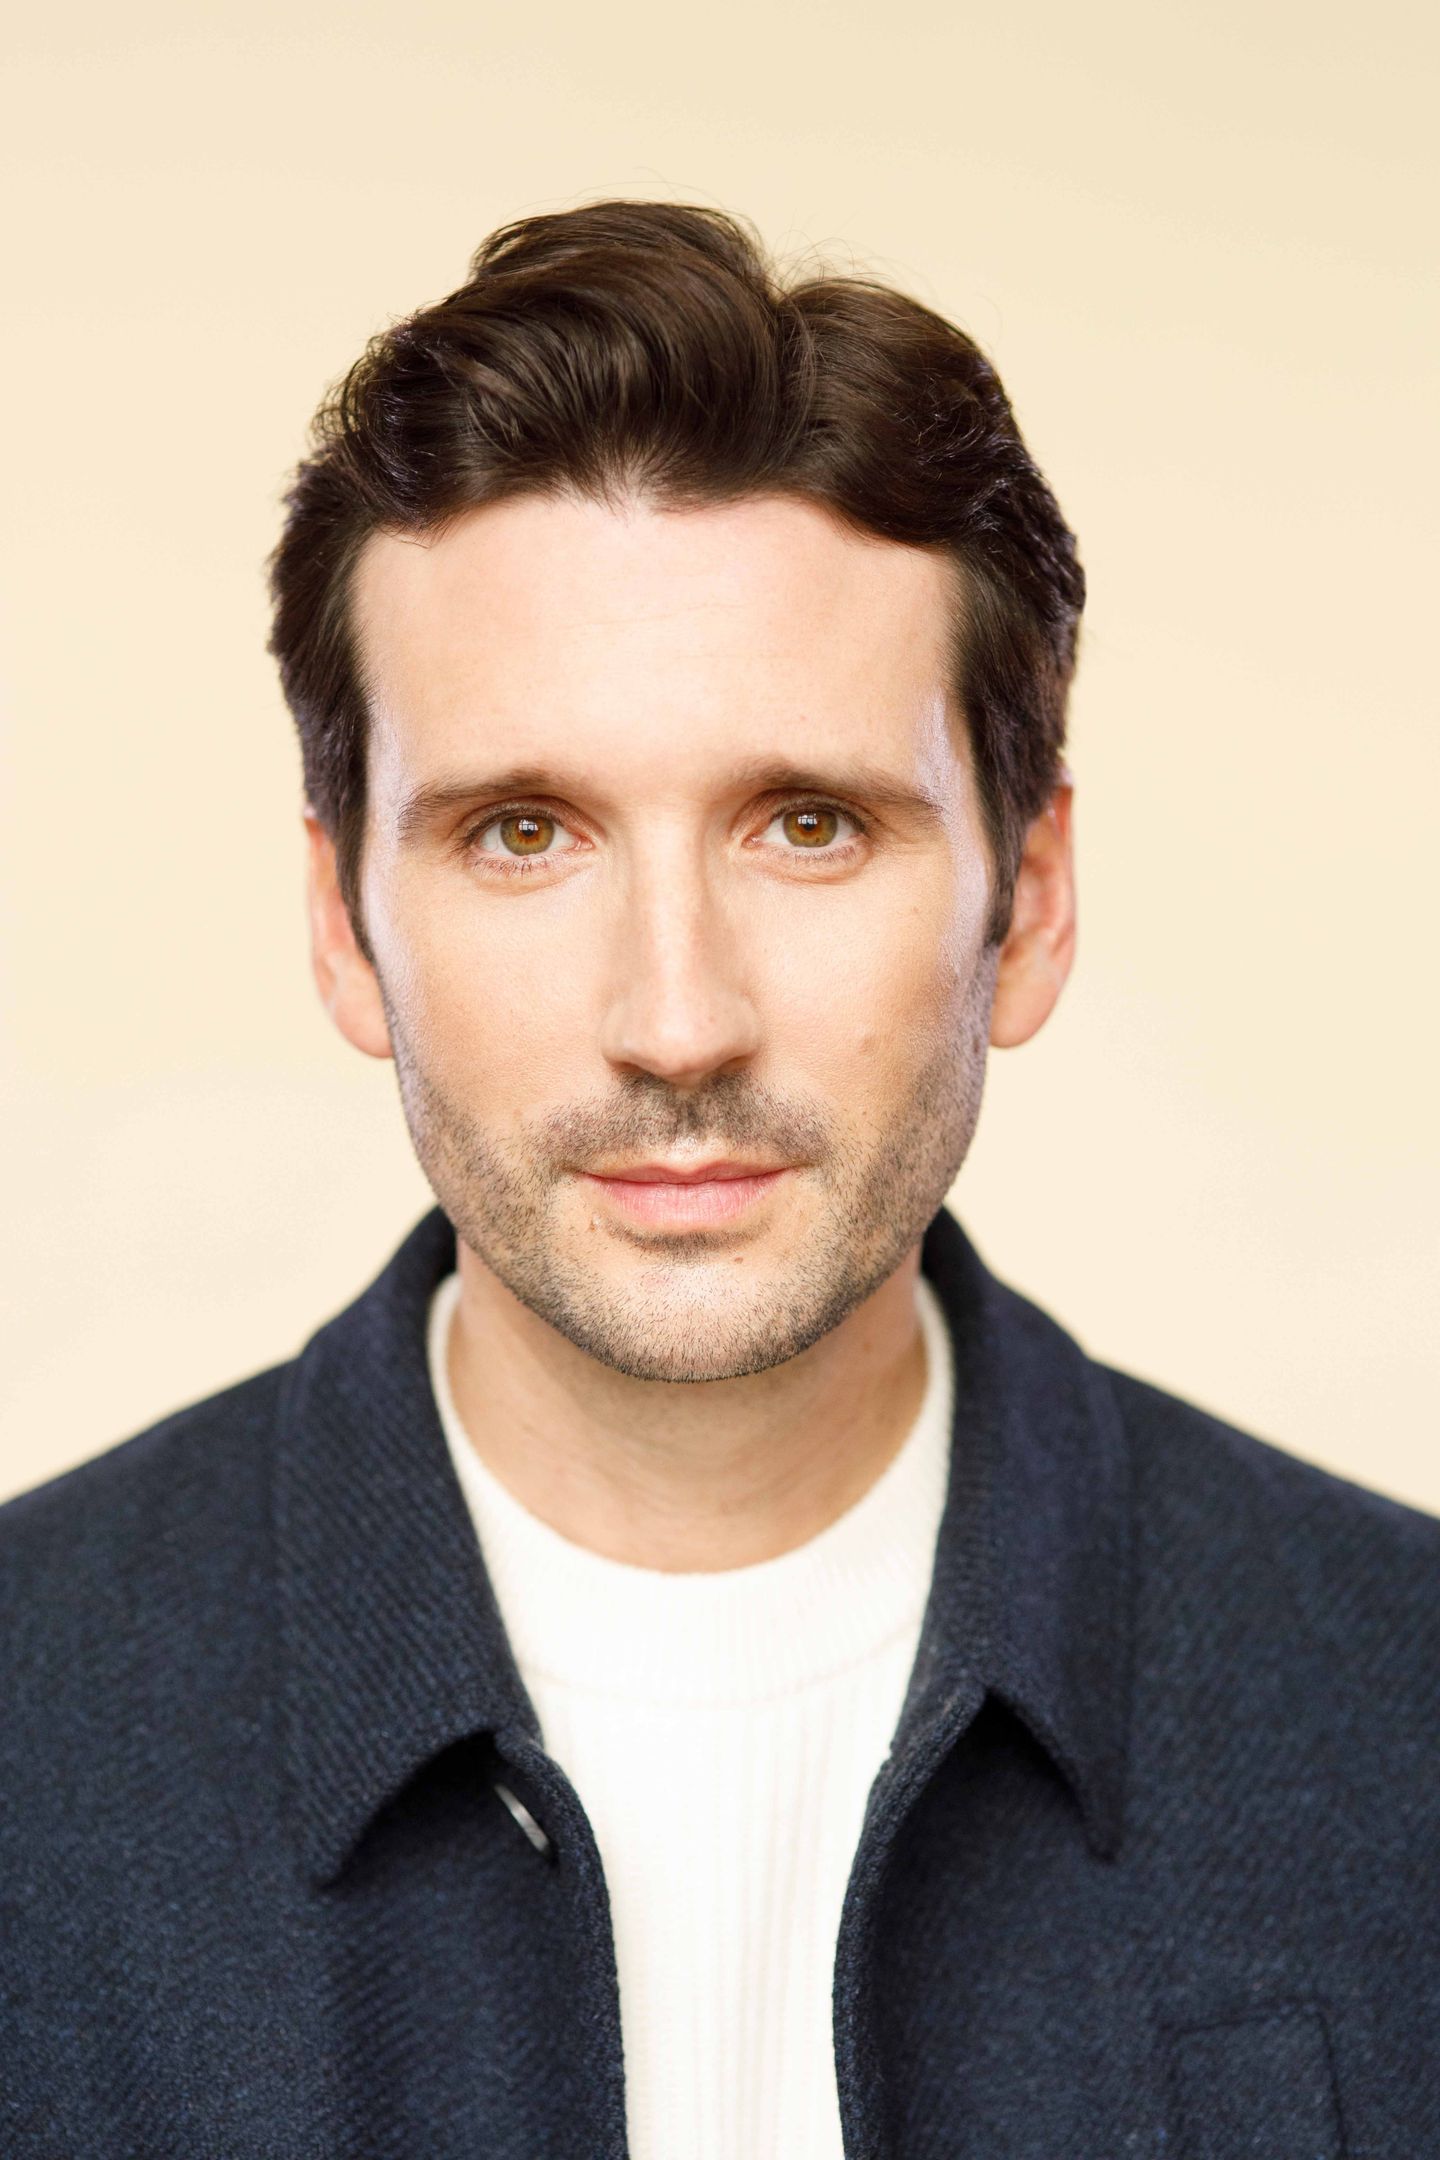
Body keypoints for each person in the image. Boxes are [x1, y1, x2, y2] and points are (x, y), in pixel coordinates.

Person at [1, 201, 1435, 2160]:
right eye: (524, 833)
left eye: (810, 825)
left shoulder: (1406, 1717)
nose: (676, 1023)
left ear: (1031, 905)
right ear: (344, 928)